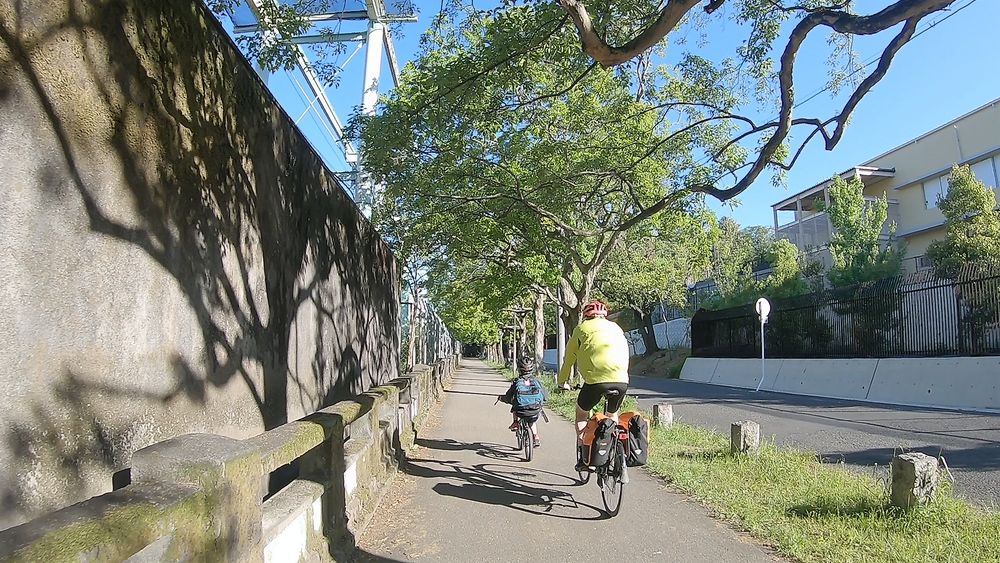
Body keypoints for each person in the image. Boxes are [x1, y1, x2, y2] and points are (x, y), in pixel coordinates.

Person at [557, 300, 630, 471]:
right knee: (612, 414)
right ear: (604, 315)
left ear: (586, 315)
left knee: (582, 414)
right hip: (621, 380)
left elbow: (569, 359)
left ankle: (585, 456)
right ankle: (615, 449)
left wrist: (563, 381)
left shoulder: (581, 329)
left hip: (595, 382)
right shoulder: (617, 329)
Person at [499, 356, 549, 447]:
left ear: (519, 369)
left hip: (520, 411)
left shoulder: (517, 382)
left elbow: (509, 396)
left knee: (514, 403)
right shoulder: (536, 382)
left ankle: (515, 422)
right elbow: (546, 396)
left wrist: (502, 399)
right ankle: (535, 437)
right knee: (532, 421)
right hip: (534, 410)